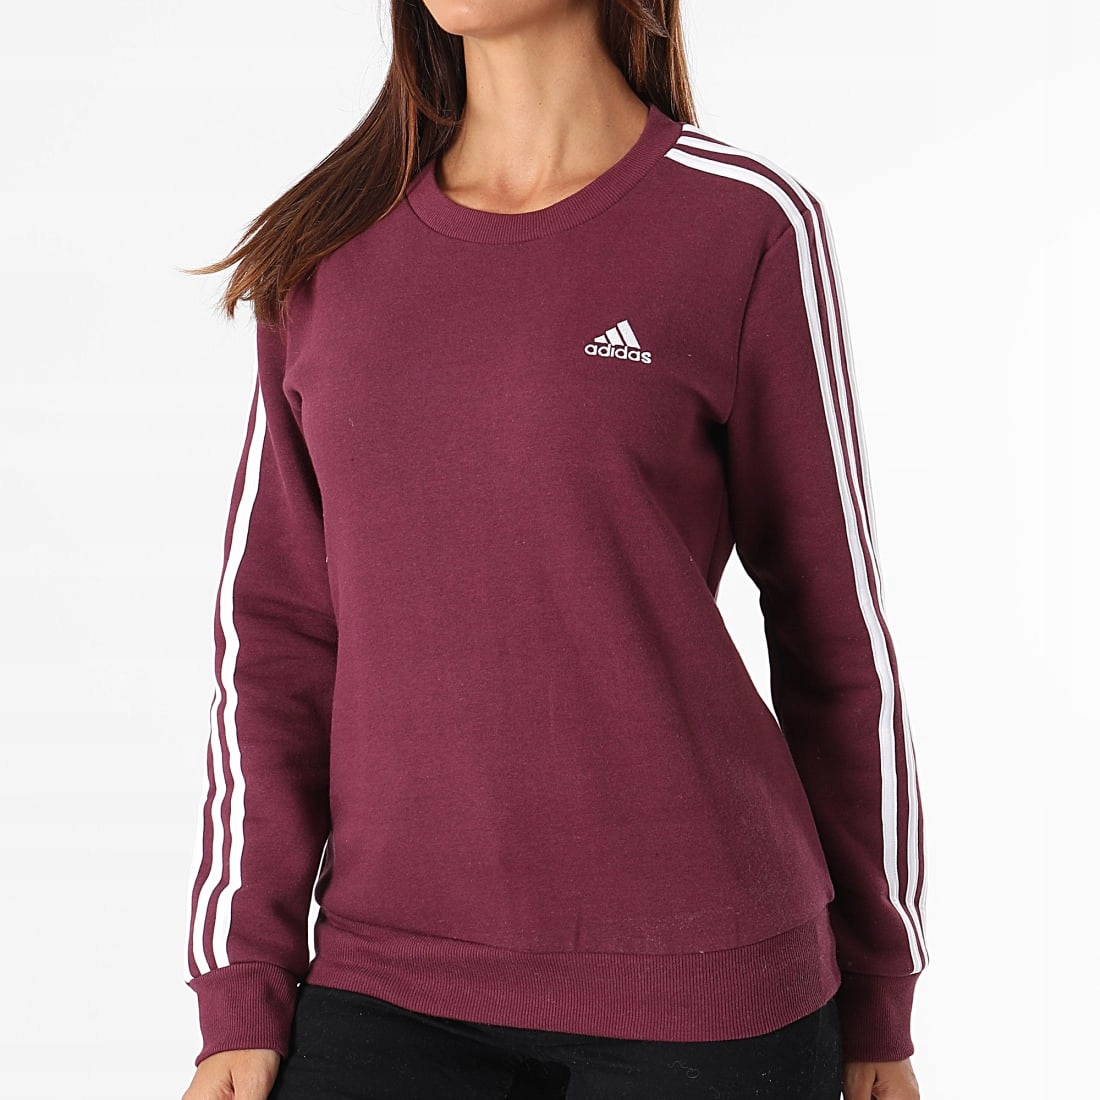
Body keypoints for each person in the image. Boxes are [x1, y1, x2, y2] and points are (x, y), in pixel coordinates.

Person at [178, 1, 930, 1098]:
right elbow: (276, 637)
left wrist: (879, 994)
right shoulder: (326, 246)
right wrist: (241, 976)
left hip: (709, 995)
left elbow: (832, 629)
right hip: (385, 977)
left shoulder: (745, 223)